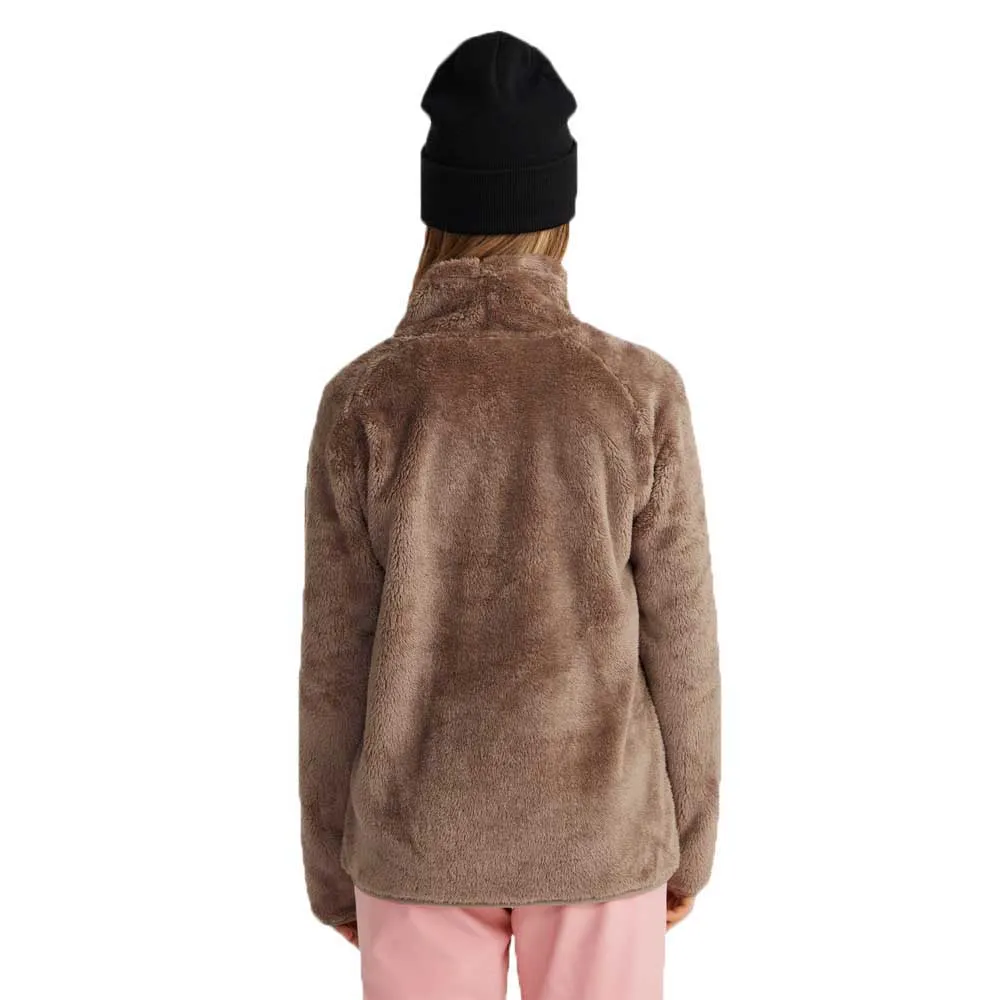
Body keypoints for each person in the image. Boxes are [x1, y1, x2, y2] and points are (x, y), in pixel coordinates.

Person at [299, 29, 721, 1000]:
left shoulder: (364, 401)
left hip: (416, 841)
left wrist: (332, 868)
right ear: (559, 208)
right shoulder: (638, 393)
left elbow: (333, 661)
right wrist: (687, 847)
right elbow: (683, 644)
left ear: (435, 206)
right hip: (600, 838)